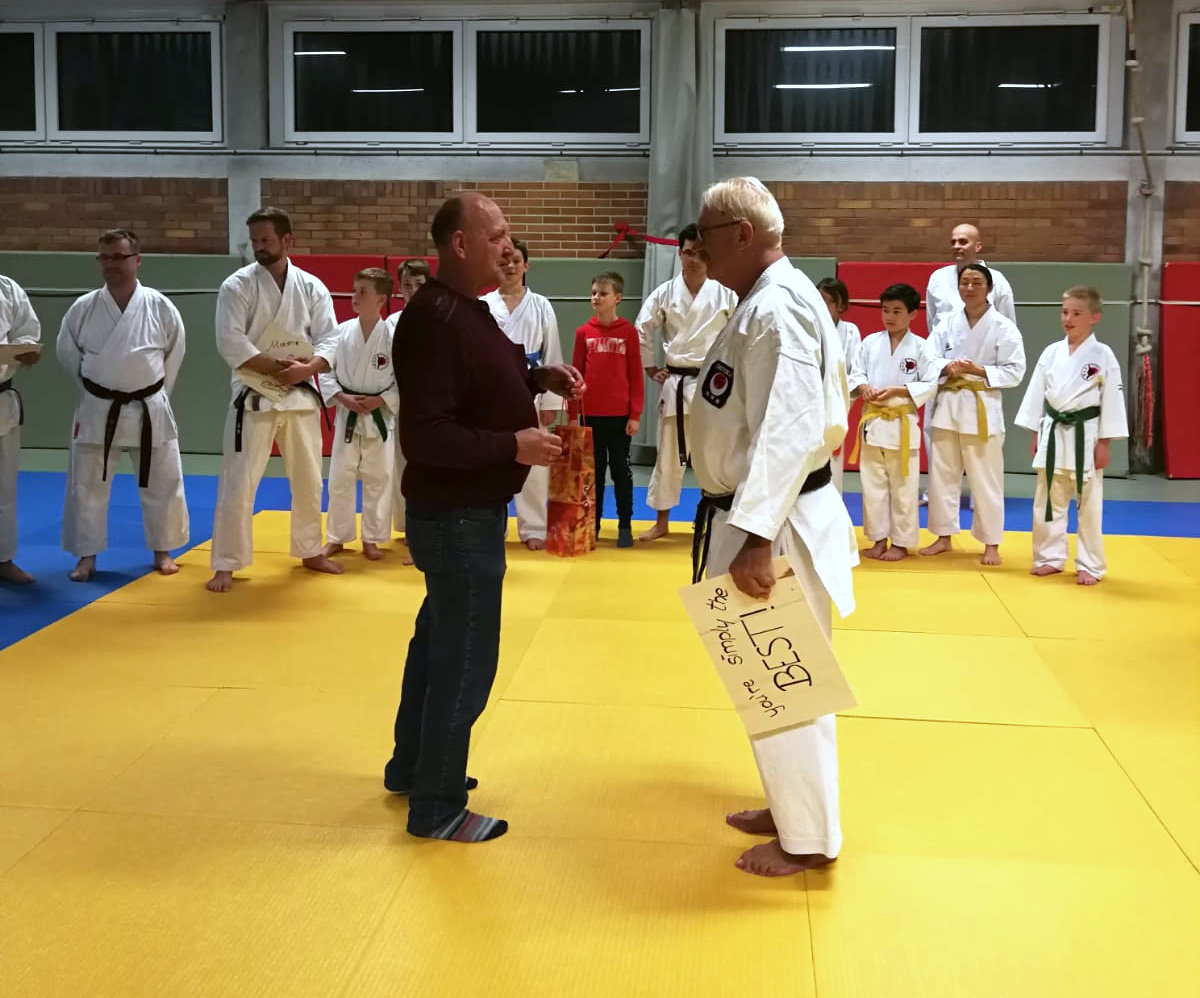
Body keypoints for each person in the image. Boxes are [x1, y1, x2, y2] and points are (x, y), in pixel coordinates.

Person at [383, 192, 583, 842]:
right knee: (465, 659)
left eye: (508, 235)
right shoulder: (434, 317)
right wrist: (511, 445)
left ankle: (412, 766)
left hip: (464, 511)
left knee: (437, 644)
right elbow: (427, 435)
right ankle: (437, 806)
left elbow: (482, 379)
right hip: (457, 514)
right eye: (495, 235)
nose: (507, 246)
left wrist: (535, 379)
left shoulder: (467, 309)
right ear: (460, 244)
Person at [690, 177, 857, 877]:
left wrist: (757, 539)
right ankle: (790, 806)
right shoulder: (767, 298)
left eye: (705, 234)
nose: (697, 246)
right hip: (762, 513)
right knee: (768, 683)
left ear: (742, 234)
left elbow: (789, 431)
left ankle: (807, 840)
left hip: (774, 523)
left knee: (786, 687)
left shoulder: (777, 307)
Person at [206, 207, 341, 593]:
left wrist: (308, 367)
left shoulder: (311, 286)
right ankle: (226, 563)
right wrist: (274, 367)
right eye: (254, 241)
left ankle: (310, 550)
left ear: (287, 240)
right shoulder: (237, 285)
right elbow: (230, 340)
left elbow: (331, 337)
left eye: (266, 240)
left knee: (309, 479)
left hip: (299, 394)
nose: (259, 247)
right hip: (254, 394)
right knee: (239, 480)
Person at [56, 229, 188, 582]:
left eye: (118, 256)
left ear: (137, 260)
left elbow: (174, 353)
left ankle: (163, 550)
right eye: (105, 257)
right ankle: (86, 556)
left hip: (149, 406)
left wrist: (156, 394)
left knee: (163, 481)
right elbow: (67, 353)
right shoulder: (83, 308)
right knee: (86, 487)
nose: (111, 264)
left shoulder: (160, 306)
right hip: (98, 406)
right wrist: (93, 391)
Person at [1015, 286, 1127, 585]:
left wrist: (1105, 443)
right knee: (1047, 499)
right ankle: (1048, 557)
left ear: (1094, 317)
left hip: (1086, 435)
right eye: (1065, 312)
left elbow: (1112, 400)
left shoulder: (1103, 355)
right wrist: (1037, 432)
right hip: (1053, 431)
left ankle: (1090, 564)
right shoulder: (1051, 352)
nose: (1068, 319)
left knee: (1089, 504)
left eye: (1076, 313)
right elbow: (1037, 395)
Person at [636, 223, 737, 541]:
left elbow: (742, 332)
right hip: (677, 383)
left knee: (715, 457)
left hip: (714, 385)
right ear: (680, 254)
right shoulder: (665, 292)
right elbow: (642, 328)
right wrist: (650, 367)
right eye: (689, 252)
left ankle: (716, 521)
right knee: (668, 455)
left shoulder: (725, 293)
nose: (694, 259)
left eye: (700, 253)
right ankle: (661, 521)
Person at [920, 264, 1026, 566]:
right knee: (942, 476)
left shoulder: (1003, 327)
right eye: (964, 282)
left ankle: (991, 542)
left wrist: (978, 370)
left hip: (982, 408)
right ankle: (943, 536)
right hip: (948, 406)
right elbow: (927, 357)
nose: (969, 288)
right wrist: (947, 366)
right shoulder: (947, 323)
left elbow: (1015, 370)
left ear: (989, 288)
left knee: (986, 479)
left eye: (976, 282)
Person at [847, 284, 939, 562]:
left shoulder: (922, 346)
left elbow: (931, 383)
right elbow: (856, 373)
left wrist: (900, 390)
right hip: (873, 422)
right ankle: (878, 539)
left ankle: (901, 542)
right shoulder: (870, 342)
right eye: (886, 310)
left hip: (901, 424)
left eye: (897, 311)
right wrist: (863, 387)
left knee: (903, 487)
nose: (889, 316)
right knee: (872, 486)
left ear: (912, 314)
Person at [483, 239, 564, 550]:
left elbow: (552, 353)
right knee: (494, 459)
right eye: (504, 261)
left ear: (526, 265)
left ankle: (534, 528)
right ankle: (493, 526)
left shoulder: (541, 305)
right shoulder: (483, 304)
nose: (510, 266)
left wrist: (552, 400)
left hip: (534, 387)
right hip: (493, 390)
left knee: (536, 462)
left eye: (516, 261)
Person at [319, 268, 399, 562]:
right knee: (340, 477)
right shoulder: (340, 332)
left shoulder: (392, 337)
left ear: (381, 300)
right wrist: (341, 397)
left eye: (362, 291)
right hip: (347, 413)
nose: (354, 296)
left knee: (379, 477)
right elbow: (324, 370)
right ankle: (337, 537)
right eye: (354, 290)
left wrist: (382, 400)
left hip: (380, 416)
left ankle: (372, 538)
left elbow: (404, 379)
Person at [572, 272, 644, 547]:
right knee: (594, 475)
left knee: (621, 472)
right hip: (590, 415)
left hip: (619, 417)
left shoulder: (628, 333)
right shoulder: (583, 333)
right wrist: (573, 414)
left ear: (617, 298)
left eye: (602, 294)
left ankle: (625, 524)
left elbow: (635, 377)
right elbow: (575, 376)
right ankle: (594, 525)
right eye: (593, 293)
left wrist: (635, 415)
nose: (596, 298)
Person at [388, 258, 430, 563]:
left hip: (434, 405)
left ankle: (429, 533)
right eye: (407, 285)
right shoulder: (392, 323)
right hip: (400, 403)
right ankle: (410, 531)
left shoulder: (441, 319)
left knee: (430, 470)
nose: (413, 290)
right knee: (402, 470)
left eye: (419, 284)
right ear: (398, 288)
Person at [0, 274, 42, 585]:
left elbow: (28, 332)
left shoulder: (7, 289)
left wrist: (27, 350)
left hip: (1, 400)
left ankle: (3, 559)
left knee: (4, 487)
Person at [816, 277, 863, 492]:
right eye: (819, 298)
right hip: (810, 402)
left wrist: (839, 398)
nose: (823, 304)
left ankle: (832, 501)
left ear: (841, 305)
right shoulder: (808, 327)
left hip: (836, 403)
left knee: (833, 461)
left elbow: (855, 369)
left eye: (829, 300)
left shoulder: (850, 331)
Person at [924, 223, 1017, 328]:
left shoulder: (997, 279)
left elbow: (1008, 324)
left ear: (977, 246)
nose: (956, 246)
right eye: (953, 242)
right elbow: (932, 322)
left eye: (963, 242)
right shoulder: (938, 278)